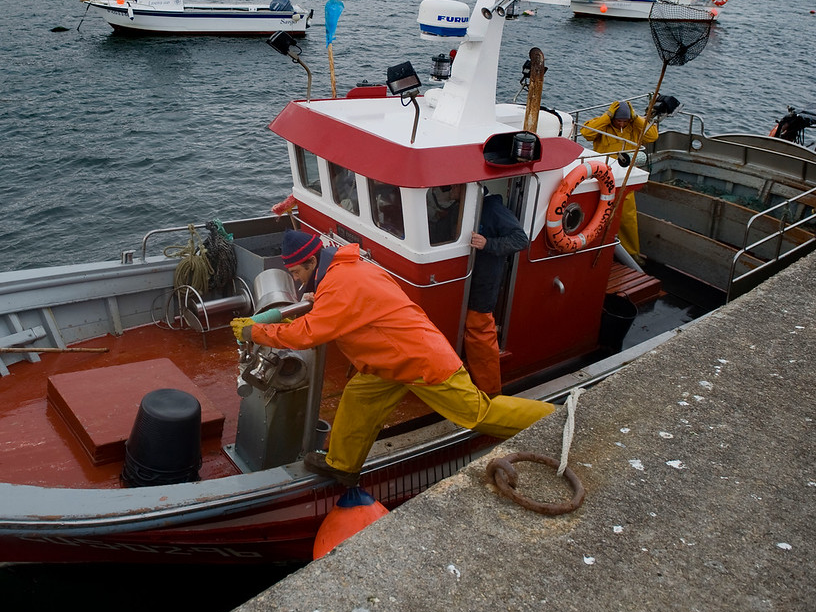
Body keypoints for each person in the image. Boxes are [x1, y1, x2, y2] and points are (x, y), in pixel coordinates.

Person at [231, 229, 554, 486]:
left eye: (296, 271)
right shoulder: (347, 270)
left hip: (418, 362)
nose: (296, 279)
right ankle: (342, 466)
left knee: (476, 414)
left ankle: (556, 420)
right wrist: (318, 298)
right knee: (359, 398)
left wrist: (253, 332)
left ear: (313, 263)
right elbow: (336, 309)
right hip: (391, 361)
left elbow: (308, 334)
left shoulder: (339, 284)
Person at [464, 190, 529, 396]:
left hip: (484, 283)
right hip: (468, 279)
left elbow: (520, 239)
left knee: (480, 332)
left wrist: (487, 243)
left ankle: (490, 393)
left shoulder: (493, 209)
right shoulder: (468, 207)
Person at [580, 101, 659, 262]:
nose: (621, 123)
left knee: (628, 216)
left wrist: (635, 117)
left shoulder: (635, 127)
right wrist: (607, 116)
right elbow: (586, 133)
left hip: (624, 176)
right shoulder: (602, 126)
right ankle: (592, 247)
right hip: (602, 175)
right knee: (597, 212)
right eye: (618, 120)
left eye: (625, 120)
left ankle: (631, 253)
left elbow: (653, 136)